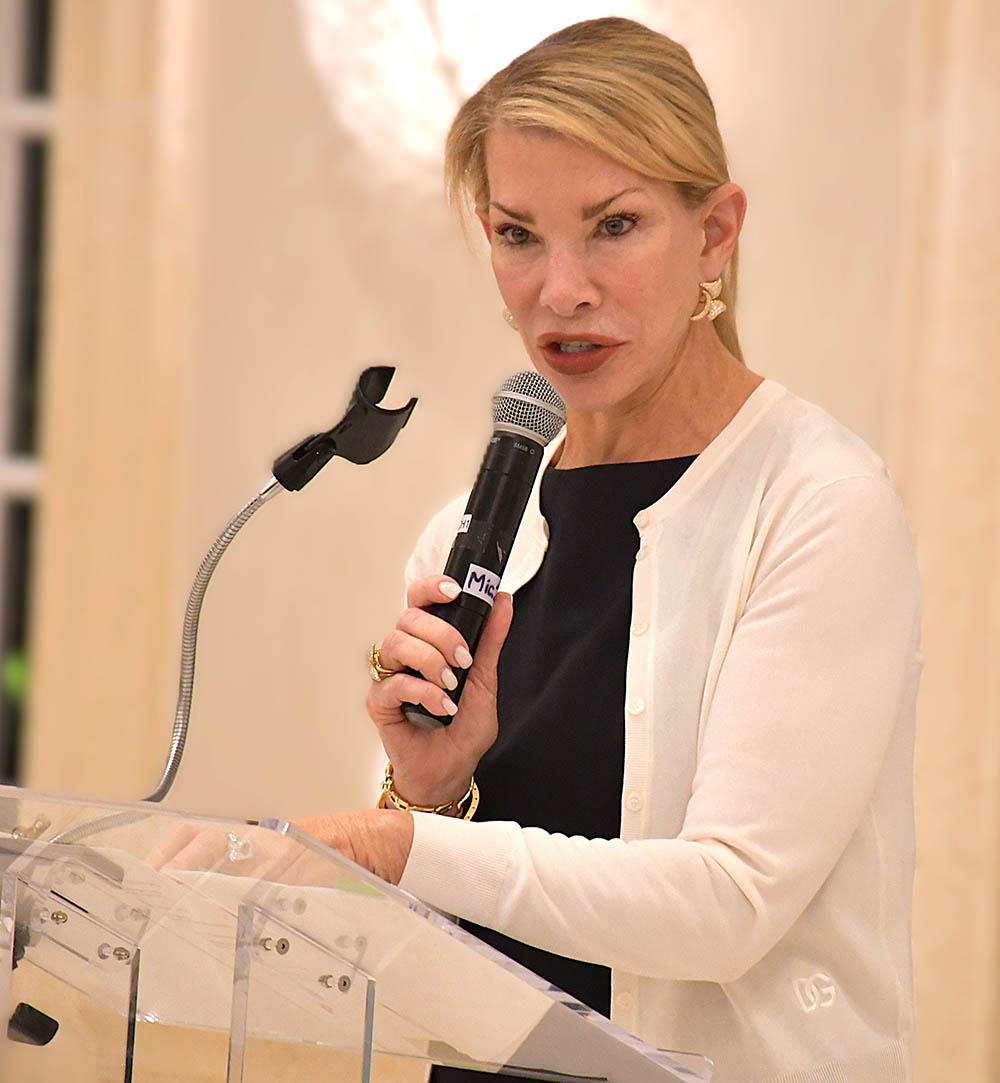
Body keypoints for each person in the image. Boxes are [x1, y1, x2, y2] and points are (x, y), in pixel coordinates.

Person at [299, 17, 923, 1083]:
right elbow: (428, 931)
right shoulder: (467, 531)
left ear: (715, 233)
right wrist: (428, 792)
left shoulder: (817, 503)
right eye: (518, 235)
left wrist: (395, 841)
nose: (561, 291)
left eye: (614, 226)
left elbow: (728, 903)